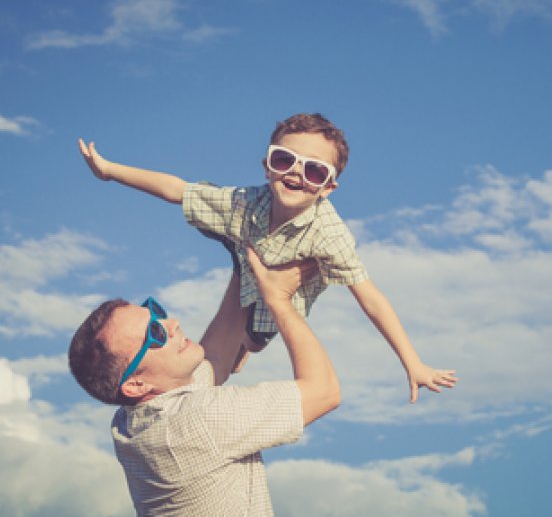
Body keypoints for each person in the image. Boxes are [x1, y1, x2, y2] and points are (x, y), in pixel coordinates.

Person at [78, 113, 457, 403]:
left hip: (276, 295)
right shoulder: (247, 201)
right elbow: (176, 189)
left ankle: (244, 344)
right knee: (210, 206)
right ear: (267, 165)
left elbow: (370, 298)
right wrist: (110, 171)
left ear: (328, 188)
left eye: (313, 169)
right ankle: (236, 249)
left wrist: (412, 361)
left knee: (254, 342)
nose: (295, 173)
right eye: (284, 160)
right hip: (246, 236)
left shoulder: (330, 234)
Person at [69, 248, 339, 517]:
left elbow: (216, 359)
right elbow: (324, 392)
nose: (173, 324)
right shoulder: (199, 421)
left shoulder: (132, 420)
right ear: (136, 384)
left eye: (156, 314)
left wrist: (244, 261)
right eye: (155, 334)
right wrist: (278, 300)